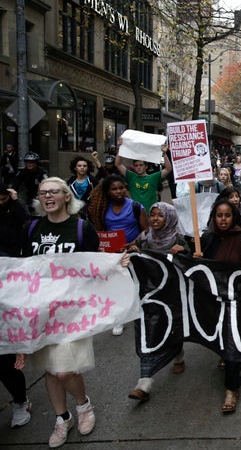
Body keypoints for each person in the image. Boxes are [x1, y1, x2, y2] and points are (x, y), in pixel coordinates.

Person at [19, 177, 113, 447]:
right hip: (41, 309)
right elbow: (25, 269)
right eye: (43, 192)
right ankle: (62, 418)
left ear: (66, 197)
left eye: (54, 192)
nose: (48, 196)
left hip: (72, 311)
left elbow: (94, 266)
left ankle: (83, 405)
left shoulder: (82, 229)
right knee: (50, 369)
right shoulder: (31, 228)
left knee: (64, 370)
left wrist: (117, 262)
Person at [197, 198, 241, 413]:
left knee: (234, 342)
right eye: (219, 215)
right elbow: (194, 262)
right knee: (223, 338)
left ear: (233, 217)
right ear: (214, 218)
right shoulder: (206, 238)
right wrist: (190, 254)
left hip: (239, 301)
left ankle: (231, 388)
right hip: (214, 301)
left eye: (227, 215)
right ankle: (225, 357)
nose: (223, 220)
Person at [126, 202, 190, 402]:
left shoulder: (179, 239)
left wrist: (184, 252)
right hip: (148, 295)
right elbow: (132, 255)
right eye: (152, 215)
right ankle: (144, 381)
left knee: (172, 327)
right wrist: (133, 249)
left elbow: (191, 265)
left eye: (159, 216)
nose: (154, 219)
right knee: (149, 334)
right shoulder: (145, 238)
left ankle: (178, 353)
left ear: (169, 218)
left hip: (172, 295)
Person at [86, 175, 148, 335]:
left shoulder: (136, 206)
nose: (119, 191)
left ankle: (141, 313)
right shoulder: (102, 208)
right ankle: (119, 319)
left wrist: (133, 243)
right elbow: (101, 230)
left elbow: (146, 230)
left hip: (133, 252)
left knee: (135, 284)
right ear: (108, 192)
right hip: (112, 254)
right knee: (116, 286)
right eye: (114, 189)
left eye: (121, 188)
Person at [0, 182, 33, 428]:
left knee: (4, 364)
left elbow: (26, 221)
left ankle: (20, 401)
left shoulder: (14, 210)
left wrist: (14, 200)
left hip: (9, 275)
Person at [114, 138, 171, 211]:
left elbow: (168, 168)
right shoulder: (131, 177)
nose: (138, 167)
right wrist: (120, 148)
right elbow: (118, 164)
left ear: (146, 166)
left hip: (149, 214)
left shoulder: (153, 177)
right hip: (134, 214)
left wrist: (165, 154)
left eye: (141, 165)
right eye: (136, 165)